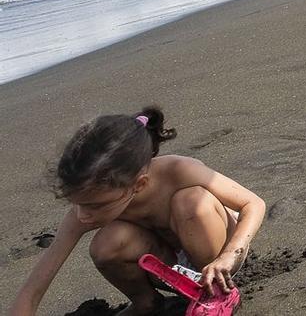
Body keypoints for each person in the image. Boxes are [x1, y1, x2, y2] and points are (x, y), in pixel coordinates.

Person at [9, 108, 267, 315]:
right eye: (77, 204)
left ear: (139, 184)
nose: (83, 215)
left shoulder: (178, 170)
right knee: (108, 242)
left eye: (95, 205)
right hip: (170, 269)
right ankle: (148, 304)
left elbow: (253, 204)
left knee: (192, 201)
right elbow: (33, 290)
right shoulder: (85, 209)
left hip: (219, 258)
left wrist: (227, 258)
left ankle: (219, 295)